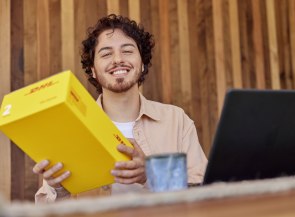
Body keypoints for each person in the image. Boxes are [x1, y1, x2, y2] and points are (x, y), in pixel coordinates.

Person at [33, 14, 207, 203]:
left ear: (142, 64)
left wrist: (150, 176)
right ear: (93, 70)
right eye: (106, 54)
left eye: (128, 51)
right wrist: (58, 188)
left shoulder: (176, 120)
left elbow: (205, 194)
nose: (118, 60)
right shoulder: (72, 128)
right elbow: (46, 211)